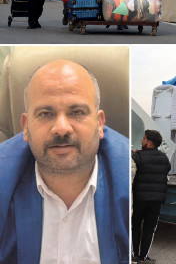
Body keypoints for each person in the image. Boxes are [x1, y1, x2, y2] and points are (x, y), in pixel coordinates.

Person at [0, 60, 129, 263]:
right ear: (25, 126)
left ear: (99, 123)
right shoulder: (3, 178)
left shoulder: (128, 179)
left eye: (77, 112)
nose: (61, 128)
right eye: (45, 114)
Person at [131, 130, 171, 264]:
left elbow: (131, 170)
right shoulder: (164, 158)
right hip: (156, 201)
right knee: (149, 228)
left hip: (139, 199)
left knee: (134, 225)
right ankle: (143, 258)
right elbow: (167, 169)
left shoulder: (138, 156)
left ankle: (134, 254)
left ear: (150, 142)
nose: (141, 140)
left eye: (143, 138)